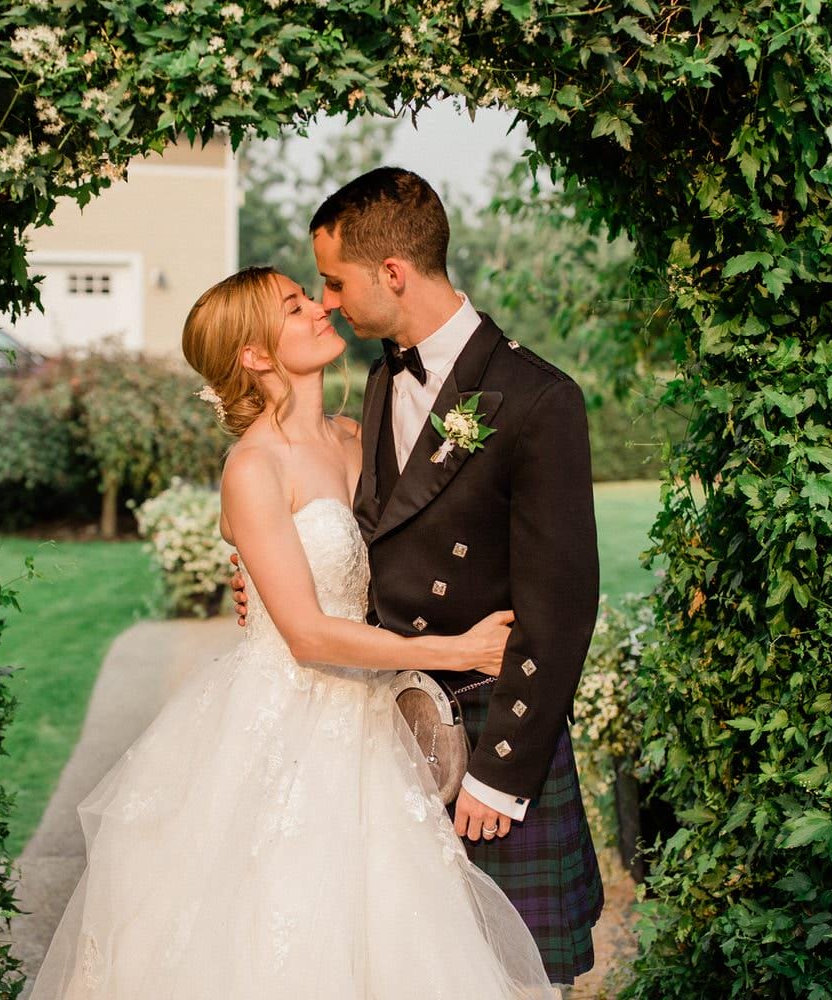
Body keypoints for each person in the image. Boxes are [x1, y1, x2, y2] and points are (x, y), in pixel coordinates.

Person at [28, 266, 556, 998]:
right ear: (254, 355)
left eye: (311, 295)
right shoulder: (253, 468)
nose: (320, 308)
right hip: (289, 725)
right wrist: (456, 650)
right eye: (296, 305)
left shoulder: (359, 436)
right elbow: (307, 634)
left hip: (372, 723)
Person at [231, 168, 604, 987]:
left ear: (391, 274)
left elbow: (562, 605)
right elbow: (372, 539)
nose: (326, 302)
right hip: (380, 733)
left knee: (515, 976)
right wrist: (271, 582)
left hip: (483, 730)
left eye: (333, 282)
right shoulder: (375, 382)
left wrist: (502, 777)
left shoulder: (538, 399)